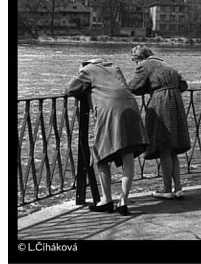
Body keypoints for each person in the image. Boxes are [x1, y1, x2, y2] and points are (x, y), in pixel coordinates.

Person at [64, 58, 149, 215]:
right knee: (128, 154)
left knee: (100, 156)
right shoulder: (114, 67)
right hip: (130, 107)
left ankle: (107, 200)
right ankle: (123, 202)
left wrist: (80, 74)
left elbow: (70, 89)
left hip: (110, 110)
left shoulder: (87, 70)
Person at [127, 45, 191, 200]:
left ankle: (167, 189)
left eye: (134, 61)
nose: (136, 64)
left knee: (164, 146)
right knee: (173, 149)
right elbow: (183, 85)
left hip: (161, 104)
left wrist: (154, 91)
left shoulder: (145, 65)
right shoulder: (165, 64)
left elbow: (133, 87)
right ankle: (178, 188)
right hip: (176, 103)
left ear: (139, 58)